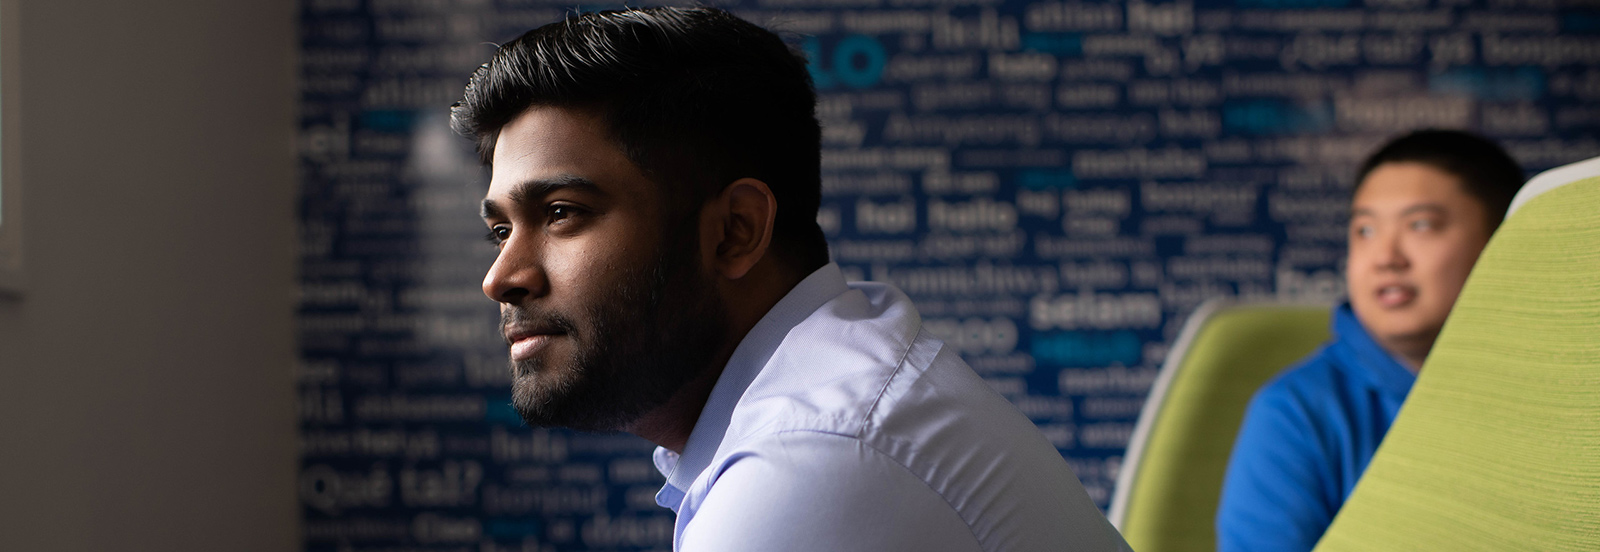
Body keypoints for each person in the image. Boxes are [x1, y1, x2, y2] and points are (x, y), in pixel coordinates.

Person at [451, 7, 1130, 551]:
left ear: (736, 230)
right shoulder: (830, 392)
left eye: (562, 213)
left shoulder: (816, 459)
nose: (502, 277)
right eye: (501, 230)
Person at [1216, 129, 1526, 551]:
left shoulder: (1557, 397)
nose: (1385, 257)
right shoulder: (1296, 411)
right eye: (1365, 231)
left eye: (1421, 225)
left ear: (1503, 244)